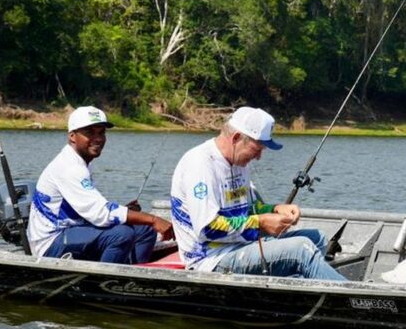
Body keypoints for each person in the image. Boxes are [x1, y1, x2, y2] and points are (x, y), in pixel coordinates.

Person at [170, 106, 345, 280]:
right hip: (211, 259)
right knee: (301, 249)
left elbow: (252, 208)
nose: (259, 157)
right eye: (257, 149)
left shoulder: (239, 162)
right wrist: (260, 223)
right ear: (237, 138)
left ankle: (305, 293)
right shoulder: (200, 164)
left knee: (318, 239)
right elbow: (207, 228)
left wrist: (275, 209)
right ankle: (352, 300)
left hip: (242, 245)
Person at [27, 106, 174, 263]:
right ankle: (105, 281)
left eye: (101, 132)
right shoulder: (69, 167)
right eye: (89, 132)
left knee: (145, 231)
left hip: (73, 229)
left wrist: (129, 214)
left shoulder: (81, 163)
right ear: (72, 136)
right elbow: (100, 213)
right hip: (51, 242)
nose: (98, 138)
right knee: (122, 234)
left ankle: (134, 277)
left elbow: (92, 210)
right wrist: (153, 219)